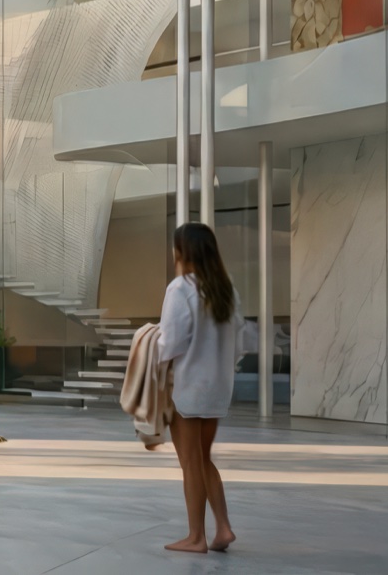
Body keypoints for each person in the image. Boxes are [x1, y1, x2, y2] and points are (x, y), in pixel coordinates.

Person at [159, 221, 242, 554]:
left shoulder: (180, 288)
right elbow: (237, 340)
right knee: (203, 458)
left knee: (191, 462)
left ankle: (196, 537)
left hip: (190, 386)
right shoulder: (226, 288)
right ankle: (223, 528)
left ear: (183, 252)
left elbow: (170, 343)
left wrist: (149, 346)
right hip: (218, 387)